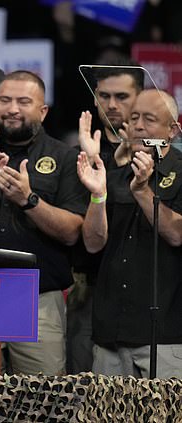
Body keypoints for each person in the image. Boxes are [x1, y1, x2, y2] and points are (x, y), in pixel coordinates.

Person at [0, 70, 87, 375]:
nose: (12, 108)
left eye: (24, 101)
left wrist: (28, 200)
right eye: (6, 100)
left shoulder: (65, 158)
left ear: (43, 110)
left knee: (44, 402)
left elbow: (73, 233)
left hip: (37, 298)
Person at [77, 88, 182, 379]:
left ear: (172, 130)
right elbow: (93, 242)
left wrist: (142, 191)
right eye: (133, 117)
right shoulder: (112, 176)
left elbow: (176, 234)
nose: (137, 125)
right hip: (110, 333)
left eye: (149, 119)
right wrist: (98, 196)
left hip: (165, 335)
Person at [67, 60, 145, 373]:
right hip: (89, 287)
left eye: (122, 97)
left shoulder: (158, 154)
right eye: (103, 96)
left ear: (140, 97)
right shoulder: (77, 156)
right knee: (86, 388)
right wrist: (99, 159)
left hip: (146, 291)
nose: (111, 105)